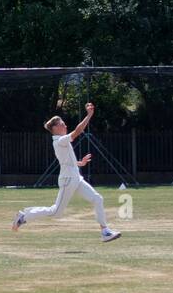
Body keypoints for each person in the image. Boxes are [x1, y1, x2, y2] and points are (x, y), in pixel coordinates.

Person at [12, 103, 121, 241]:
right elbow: (77, 131)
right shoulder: (59, 141)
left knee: (97, 199)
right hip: (68, 180)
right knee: (56, 212)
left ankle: (105, 232)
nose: (65, 125)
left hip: (76, 178)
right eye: (62, 124)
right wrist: (89, 115)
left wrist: (79, 163)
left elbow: (66, 161)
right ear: (55, 128)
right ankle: (24, 217)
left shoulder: (62, 141)